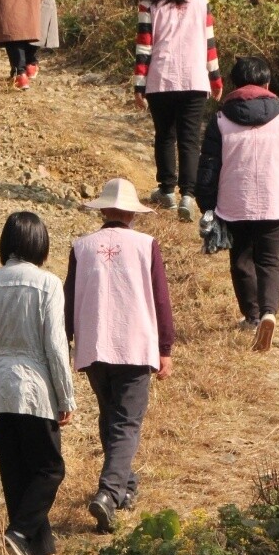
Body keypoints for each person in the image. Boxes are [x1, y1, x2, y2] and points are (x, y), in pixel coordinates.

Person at [64, 178, 174, 534]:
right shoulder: (145, 245)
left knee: (111, 416)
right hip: (134, 343)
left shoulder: (81, 247)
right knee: (127, 421)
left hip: (93, 346)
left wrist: (64, 343)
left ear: (104, 210)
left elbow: (67, 303)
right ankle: (109, 494)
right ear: (130, 213)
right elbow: (160, 299)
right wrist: (165, 348)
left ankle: (124, 484)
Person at [0, 211, 76, 555]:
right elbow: (56, 347)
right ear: (40, 244)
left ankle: (38, 553)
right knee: (49, 469)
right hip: (35, 387)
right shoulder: (48, 284)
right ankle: (17, 535)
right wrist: (66, 396)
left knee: (15, 473)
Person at [196, 55, 279, 353]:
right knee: (270, 261)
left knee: (242, 260)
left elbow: (208, 166)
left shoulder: (220, 120)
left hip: (236, 201)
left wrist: (206, 204)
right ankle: (269, 312)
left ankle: (252, 315)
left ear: (234, 84)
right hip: (275, 199)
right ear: (267, 83)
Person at [133, 0, 222, 223]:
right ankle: (188, 195)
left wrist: (139, 85)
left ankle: (167, 191)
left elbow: (144, 48)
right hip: (195, 79)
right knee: (190, 138)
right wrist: (215, 78)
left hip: (161, 79)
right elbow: (209, 43)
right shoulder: (200, 1)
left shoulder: (148, 5)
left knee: (165, 135)